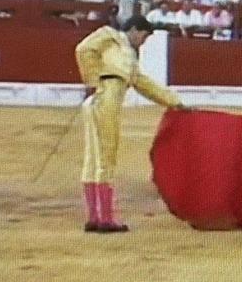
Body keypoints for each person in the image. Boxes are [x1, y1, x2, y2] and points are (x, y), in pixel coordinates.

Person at [75, 16, 187, 233]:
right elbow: (82, 49)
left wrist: (175, 102)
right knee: (105, 156)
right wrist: (94, 81)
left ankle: (95, 217)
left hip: (104, 101)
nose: (143, 42)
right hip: (104, 99)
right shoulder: (109, 36)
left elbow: (145, 85)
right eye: (143, 37)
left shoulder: (130, 59)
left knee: (95, 157)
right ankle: (104, 219)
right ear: (134, 29)